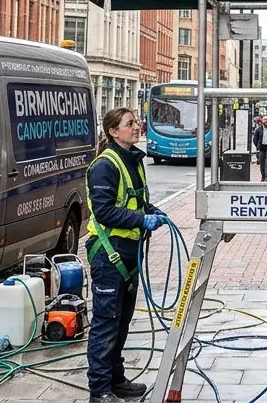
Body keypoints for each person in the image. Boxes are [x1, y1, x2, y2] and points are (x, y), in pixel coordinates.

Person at [86, 107, 166, 402]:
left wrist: (154, 212)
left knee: (121, 321)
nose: (136, 127)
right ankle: (99, 390)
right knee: (106, 322)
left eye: (136, 122)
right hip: (109, 253)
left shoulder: (133, 161)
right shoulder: (105, 166)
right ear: (113, 131)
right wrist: (142, 220)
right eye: (129, 123)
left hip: (129, 253)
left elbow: (136, 201)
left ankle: (116, 379)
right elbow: (105, 211)